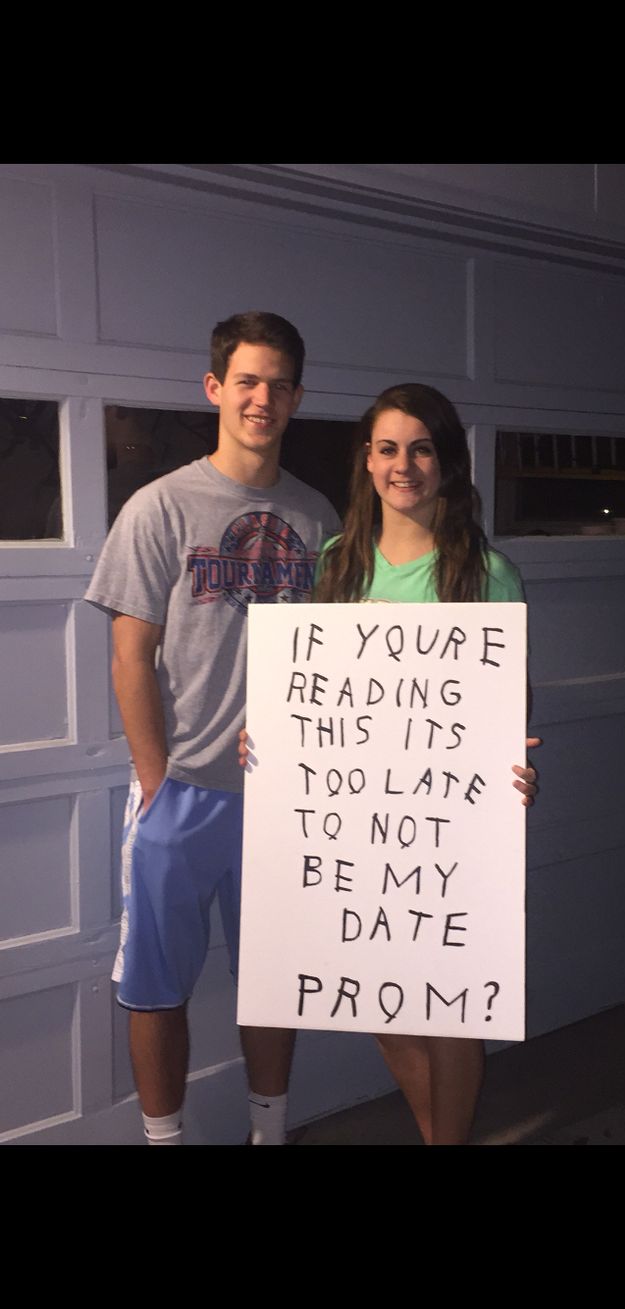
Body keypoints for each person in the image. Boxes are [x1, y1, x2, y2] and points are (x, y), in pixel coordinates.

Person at [85, 311, 341, 1145]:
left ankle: (270, 1132)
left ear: (296, 397)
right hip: (185, 791)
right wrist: (155, 782)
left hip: (285, 796)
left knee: (272, 981)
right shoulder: (160, 507)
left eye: (277, 384)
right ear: (215, 389)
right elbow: (131, 657)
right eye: (246, 381)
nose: (261, 398)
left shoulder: (317, 517)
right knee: (156, 984)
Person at [312, 381, 539, 1145]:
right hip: (358, 827)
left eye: (420, 447)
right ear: (366, 461)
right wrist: (273, 746)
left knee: (449, 1007)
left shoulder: (484, 573)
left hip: (451, 828)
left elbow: (513, 700)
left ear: (446, 462)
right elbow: (318, 697)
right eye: (387, 448)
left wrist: (515, 760)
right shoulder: (337, 565)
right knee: (378, 1000)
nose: (403, 464)